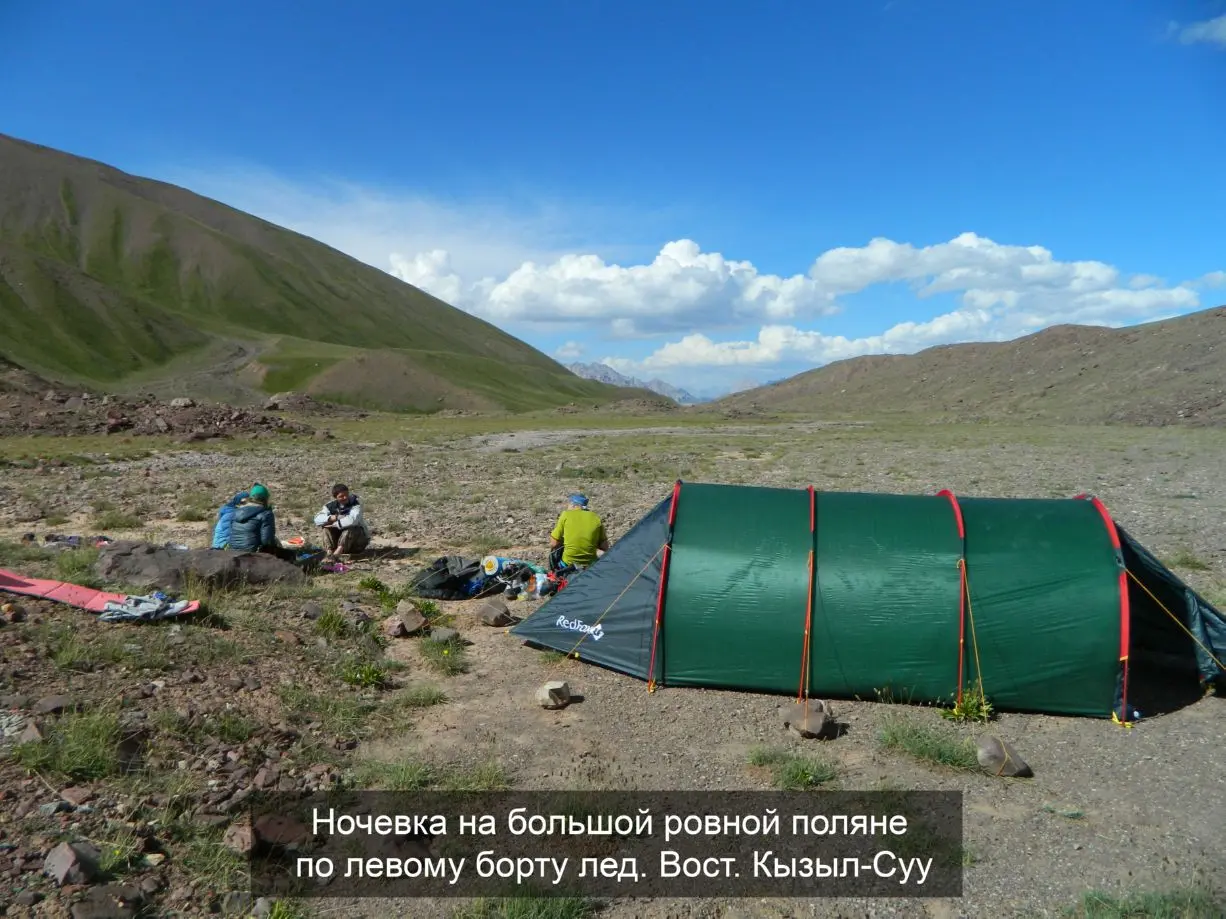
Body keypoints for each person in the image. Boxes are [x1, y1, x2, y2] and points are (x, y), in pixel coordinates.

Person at [226, 484, 296, 561]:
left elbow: (230, 534)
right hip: (252, 554)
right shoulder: (266, 514)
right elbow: (267, 541)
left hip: (232, 553)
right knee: (289, 555)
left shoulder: (236, 512)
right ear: (265, 499)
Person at [548, 493, 609, 572]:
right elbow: (605, 547)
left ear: (573, 505)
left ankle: (555, 575)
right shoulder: (595, 517)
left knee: (554, 553)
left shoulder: (566, 514)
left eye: (568, 504)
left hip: (568, 563)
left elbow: (554, 543)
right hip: (590, 564)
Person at [313, 483, 371, 559]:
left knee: (351, 528)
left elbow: (353, 520)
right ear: (335, 497)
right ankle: (329, 552)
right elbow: (317, 519)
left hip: (356, 543)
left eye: (346, 495)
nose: (345, 497)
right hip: (338, 540)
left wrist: (335, 524)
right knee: (326, 528)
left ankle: (337, 554)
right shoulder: (330, 506)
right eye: (341, 496)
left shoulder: (356, 504)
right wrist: (332, 518)